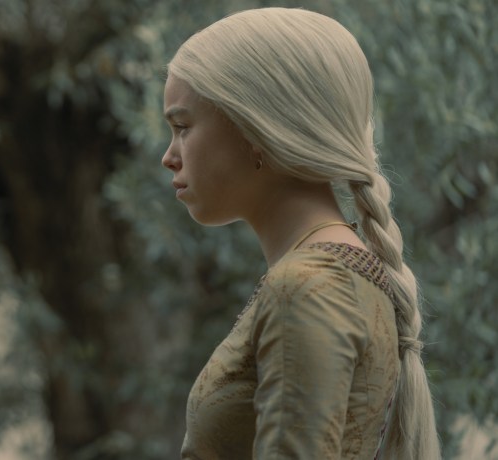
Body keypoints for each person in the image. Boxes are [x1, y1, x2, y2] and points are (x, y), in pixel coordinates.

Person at [160, 8, 439, 459]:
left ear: (255, 127)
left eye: (182, 128)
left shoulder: (309, 286)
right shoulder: (333, 274)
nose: (169, 157)